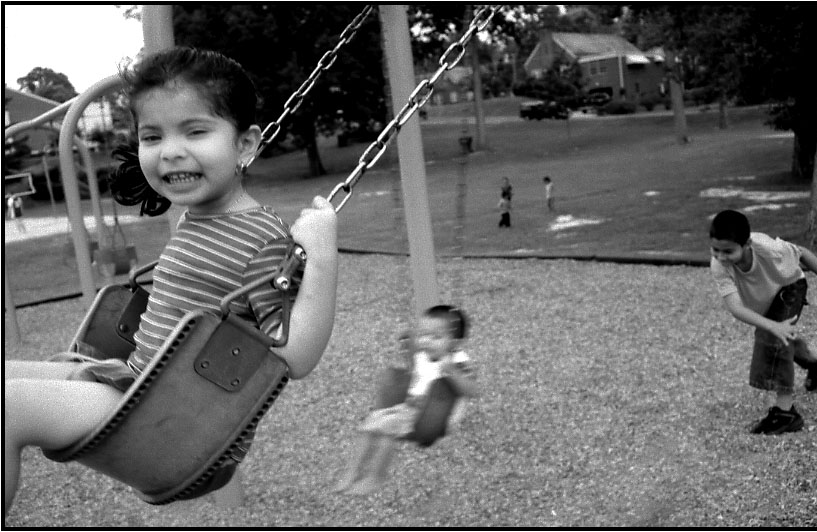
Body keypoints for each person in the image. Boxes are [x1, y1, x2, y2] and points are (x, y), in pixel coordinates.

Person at [3, 47, 339, 516]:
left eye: (195, 131)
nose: (170, 150)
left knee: (10, 408)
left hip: (179, 429)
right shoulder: (195, 219)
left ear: (245, 144)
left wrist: (322, 255)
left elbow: (296, 357)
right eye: (152, 136)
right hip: (137, 387)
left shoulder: (264, 241)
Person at [334, 305, 476, 496]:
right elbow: (414, 375)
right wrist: (408, 350)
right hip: (409, 407)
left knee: (387, 433)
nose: (426, 341)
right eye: (424, 335)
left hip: (433, 416)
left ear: (455, 343)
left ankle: (375, 477)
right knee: (367, 428)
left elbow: (472, 390)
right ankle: (352, 472)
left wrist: (451, 371)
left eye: (436, 337)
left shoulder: (458, 360)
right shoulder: (424, 355)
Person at [709, 209, 817, 435]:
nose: (721, 257)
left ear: (747, 244)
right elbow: (735, 307)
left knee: (772, 336)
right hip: (767, 298)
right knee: (776, 331)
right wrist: (772, 324)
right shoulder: (719, 265)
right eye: (715, 250)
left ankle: (786, 413)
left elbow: (802, 253)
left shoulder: (768, 248)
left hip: (790, 286)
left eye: (728, 251)